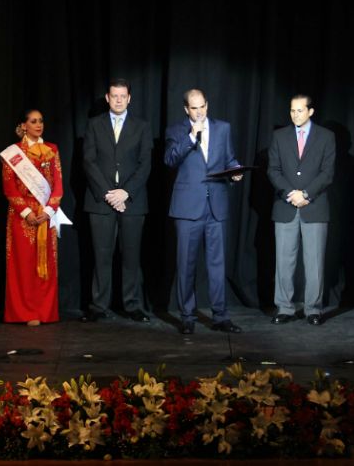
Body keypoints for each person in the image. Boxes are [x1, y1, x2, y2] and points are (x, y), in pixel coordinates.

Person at [164, 89, 243, 334]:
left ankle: (220, 316)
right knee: (186, 264)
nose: (199, 112)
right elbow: (169, 160)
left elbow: (229, 160)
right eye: (193, 108)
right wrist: (191, 137)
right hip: (188, 207)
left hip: (216, 206)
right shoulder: (177, 130)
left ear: (207, 105)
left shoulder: (223, 128)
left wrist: (235, 171)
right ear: (186, 109)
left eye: (202, 107)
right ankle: (187, 316)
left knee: (217, 265)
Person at [82, 78, 153, 323]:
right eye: (115, 96)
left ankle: (132, 305)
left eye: (123, 96)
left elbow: (145, 165)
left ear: (129, 98)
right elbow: (88, 162)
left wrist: (125, 192)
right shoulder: (93, 125)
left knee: (131, 256)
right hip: (100, 201)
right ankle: (99, 306)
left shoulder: (142, 127)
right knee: (101, 255)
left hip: (132, 201)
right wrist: (109, 194)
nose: (119, 100)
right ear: (107, 98)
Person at [267, 94, 336, 326]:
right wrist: (291, 194)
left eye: (299, 110)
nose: (295, 114)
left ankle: (312, 309)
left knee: (314, 261)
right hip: (286, 206)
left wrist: (305, 194)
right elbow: (273, 170)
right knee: (284, 260)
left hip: (313, 206)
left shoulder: (326, 137)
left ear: (311, 111)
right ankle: (284, 307)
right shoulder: (279, 136)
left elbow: (327, 173)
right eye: (292, 111)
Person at [1, 109, 63, 326]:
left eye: (41, 121)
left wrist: (48, 211)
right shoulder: (14, 153)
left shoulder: (52, 150)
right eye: (33, 121)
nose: (38, 125)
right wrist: (27, 213)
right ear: (23, 126)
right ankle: (24, 312)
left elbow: (58, 186)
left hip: (45, 215)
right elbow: (9, 188)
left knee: (46, 265)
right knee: (24, 265)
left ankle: (45, 311)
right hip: (22, 217)